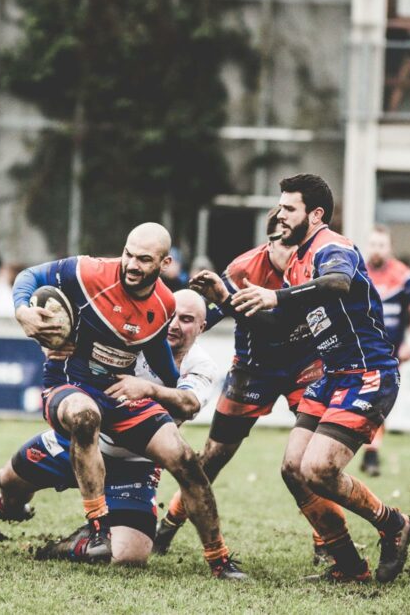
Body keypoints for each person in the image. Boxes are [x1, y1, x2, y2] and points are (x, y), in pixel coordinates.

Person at [200, 174, 410, 584]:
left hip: (368, 373)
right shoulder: (297, 260)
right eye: (279, 207)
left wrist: (275, 296)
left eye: (289, 208)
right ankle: (349, 567)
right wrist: (225, 299)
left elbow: (338, 282)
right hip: (332, 375)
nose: (280, 214)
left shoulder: (332, 245)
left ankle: (394, 524)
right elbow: (277, 322)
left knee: (317, 469)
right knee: (293, 469)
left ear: (315, 214)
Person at [12, 223, 245, 579]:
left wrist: (154, 390)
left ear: (165, 263)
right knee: (9, 479)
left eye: (144, 259)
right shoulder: (89, 271)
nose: (132, 265)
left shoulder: (165, 307)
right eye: (129, 254)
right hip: (75, 392)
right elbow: (30, 276)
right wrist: (24, 313)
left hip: (122, 418)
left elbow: (169, 377)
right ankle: (85, 526)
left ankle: (219, 560)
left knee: (184, 460)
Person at [0, 289, 222, 566]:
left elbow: (188, 404)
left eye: (187, 319)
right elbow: (72, 327)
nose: (175, 325)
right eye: (171, 315)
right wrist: (52, 341)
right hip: (83, 441)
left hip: (134, 465)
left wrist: (149, 389)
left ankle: (73, 544)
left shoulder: (201, 365)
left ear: (202, 327)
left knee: (130, 556)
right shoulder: (133, 337)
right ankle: (5, 507)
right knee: (7, 481)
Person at [154, 209, 329, 562]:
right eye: (285, 245)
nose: (292, 255)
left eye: (299, 246)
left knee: (306, 462)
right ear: (270, 240)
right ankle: (169, 525)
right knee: (212, 459)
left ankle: (326, 543)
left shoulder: (315, 265)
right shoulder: (242, 268)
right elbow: (200, 313)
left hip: (306, 368)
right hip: (254, 371)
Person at [361, 225, 410, 476]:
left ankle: (371, 452)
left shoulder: (402, 275)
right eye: (373, 244)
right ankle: (363, 449)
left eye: (382, 245)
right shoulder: (357, 271)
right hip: (357, 351)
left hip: (388, 355)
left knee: (376, 404)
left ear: (389, 247)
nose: (376, 249)